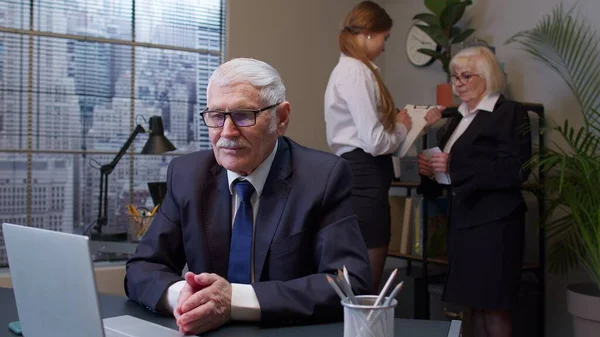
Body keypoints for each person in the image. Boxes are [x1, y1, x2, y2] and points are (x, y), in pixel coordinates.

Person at [124, 58, 372, 335]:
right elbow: (142, 267)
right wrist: (184, 297)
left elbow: (349, 282)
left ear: (282, 118)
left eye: (244, 115)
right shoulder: (187, 175)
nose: (227, 132)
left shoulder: (323, 177)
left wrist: (234, 301)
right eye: (217, 116)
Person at [324, 0, 442, 293]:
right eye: (384, 38)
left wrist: (408, 125)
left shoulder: (351, 70)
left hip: (360, 174)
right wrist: (402, 125)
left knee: (361, 277)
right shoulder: (356, 72)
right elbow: (376, 141)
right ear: (367, 33)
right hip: (364, 176)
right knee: (365, 283)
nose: (384, 46)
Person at [417, 46, 532, 337]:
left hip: (496, 225)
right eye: (455, 76)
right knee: (473, 307)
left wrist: (453, 164)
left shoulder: (509, 112)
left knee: (494, 307)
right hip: (464, 223)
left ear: (488, 76)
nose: (458, 83)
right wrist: (432, 171)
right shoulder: (458, 118)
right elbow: (451, 177)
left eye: (466, 76)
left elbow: (516, 169)